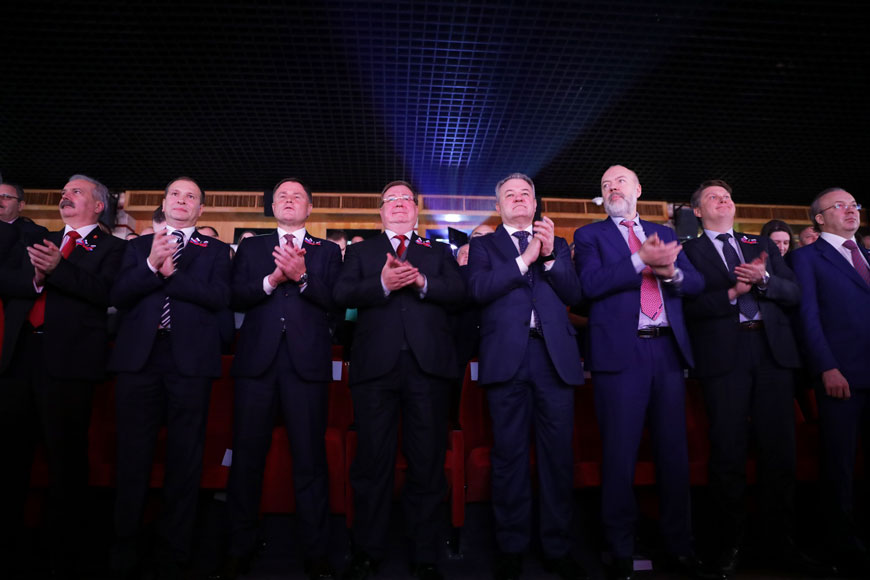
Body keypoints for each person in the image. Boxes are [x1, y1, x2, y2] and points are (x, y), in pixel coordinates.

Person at [572, 165, 710, 580]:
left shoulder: (664, 232)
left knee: (674, 455)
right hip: (620, 356)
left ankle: (679, 545)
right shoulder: (589, 235)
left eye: (620, 182)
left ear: (637, 189)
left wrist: (671, 272)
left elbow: (696, 285)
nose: (612, 188)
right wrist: (639, 260)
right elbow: (589, 285)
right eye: (605, 185)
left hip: (666, 351)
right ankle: (619, 547)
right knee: (619, 455)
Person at [682, 181, 825, 576]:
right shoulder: (689, 251)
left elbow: (794, 293)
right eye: (713, 197)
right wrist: (732, 293)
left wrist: (764, 281)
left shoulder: (757, 243)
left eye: (727, 196)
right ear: (698, 211)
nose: (723, 200)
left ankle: (781, 544)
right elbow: (688, 308)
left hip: (772, 354)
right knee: (727, 453)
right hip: (723, 359)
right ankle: (728, 546)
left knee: (780, 453)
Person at [334, 181, 465, 580]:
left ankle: (424, 553)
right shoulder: (361, 251)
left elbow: (459, 292)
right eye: (391, 199)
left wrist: (423, 283)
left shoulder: (436, 250)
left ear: (416, 210)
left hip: (429, 369)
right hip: (375, 369)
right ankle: (367, 550)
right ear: (381, 212)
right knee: (373, 462)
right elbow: (341, 293)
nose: (399, 204)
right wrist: (382, 285)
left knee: (427, 464)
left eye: (406, 199)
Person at [214, 178, 341, 580]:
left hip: (307, 365)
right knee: (246, 460)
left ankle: (316, 553)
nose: (288, 200)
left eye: (296, 196)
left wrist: (302, 276)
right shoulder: (252, 247)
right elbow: (234, 296)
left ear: (309, 208)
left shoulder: (326, 250)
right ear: (272, 206)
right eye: (282, 196)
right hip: (257, 364)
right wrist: (272, 280)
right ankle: (239, 548)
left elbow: (337, 303)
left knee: (310, 461)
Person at [0, 174, 125, 577]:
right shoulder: (36, 238)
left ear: (98, 205)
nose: (65, 196)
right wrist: (36, 278)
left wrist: (58, 269)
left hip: (69, 366)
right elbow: (7, 281)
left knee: (65, 460)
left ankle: (62, 552)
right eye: (64, 192)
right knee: (11, 457)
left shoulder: (114, 248)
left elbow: (107, 292)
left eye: (76, 192)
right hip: (19, 359)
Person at [108, 176, 231, 578]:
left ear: (200, 209)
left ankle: (175, 549)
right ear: (163, 204)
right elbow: (118, 295)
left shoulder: (216, 251)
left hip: (190, 363)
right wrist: (150, 266)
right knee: (132, 456)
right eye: (175, 194)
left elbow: (219, 298)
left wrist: (172, 273)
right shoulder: (136, 247)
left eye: (190, 196)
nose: (182, 200)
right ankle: (125, 545)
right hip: (138, 360)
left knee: (185, 458)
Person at [468, 173, 585, 580]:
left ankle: (557, 547)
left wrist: (549, 256)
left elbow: (575, 295)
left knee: (558, 458)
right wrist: (525, 259)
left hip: (554, 359)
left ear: (535, 204)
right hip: (507, 359)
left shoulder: (559, 244)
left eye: (525, 194)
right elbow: (478, 289)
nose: (518, 199)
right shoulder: (483, 245)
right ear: (498, 206)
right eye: (510, 194)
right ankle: (511, 547)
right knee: (509, 456)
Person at [790, 188, 870, 575]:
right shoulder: (806, 257)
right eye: (840, 205)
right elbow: (808, 317)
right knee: (839, 466)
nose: (851, 210)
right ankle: (843, 546)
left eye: (854, 205)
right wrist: (826, 367)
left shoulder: (866, 254)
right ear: (819, 218)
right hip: (841, 376)